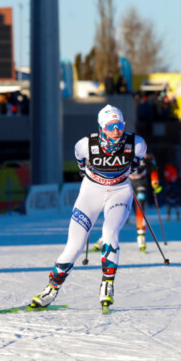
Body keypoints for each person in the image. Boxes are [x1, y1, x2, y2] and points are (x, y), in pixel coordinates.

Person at [30, 105, 147, 311]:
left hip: (119, 192)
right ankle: (51, 290)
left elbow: (135, 166)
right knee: (74, 246)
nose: (116, 131)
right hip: (91, 192)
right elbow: (81, 166)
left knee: (109, 232)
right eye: (111, 126)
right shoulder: (85, 145)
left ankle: (107, 285)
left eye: (119, 125)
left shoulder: (136, 144)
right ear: (102, 128)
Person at [128, 153, 160, 252]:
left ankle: (141, 237)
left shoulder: (147, 157)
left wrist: (155, 182)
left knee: (140, 207)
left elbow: (154, 169)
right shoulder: (125, 152)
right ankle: (105, 238)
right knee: (119, 208)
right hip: (128, 182)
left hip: (141, 183)